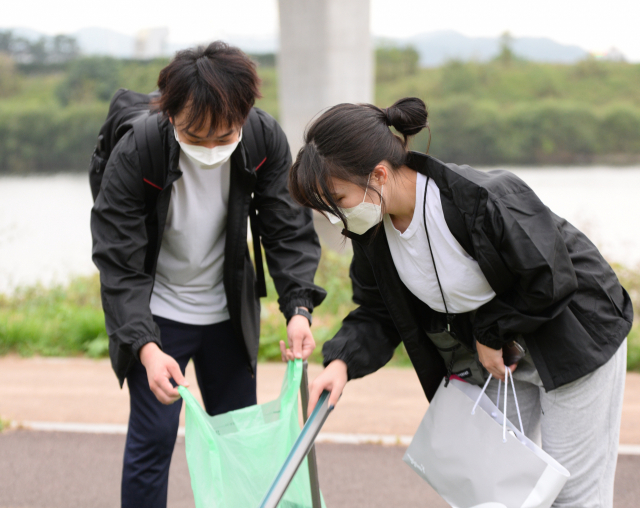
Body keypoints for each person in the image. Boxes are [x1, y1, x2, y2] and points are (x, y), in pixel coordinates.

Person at [289, 97, 633, 508]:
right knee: (491, 493)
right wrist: (341, 362)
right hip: (499, 358)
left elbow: (551, 277)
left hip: (573, 333)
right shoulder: (372, 232)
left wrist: (490, 332)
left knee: (573, 498)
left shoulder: (481, 198)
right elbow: (379, 311)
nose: (335, 218)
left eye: (337, 202)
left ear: (379, 175)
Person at [90, 42, 326, 508]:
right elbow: (118, 261)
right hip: (157, 315)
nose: (213, 147)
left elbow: (287, 229)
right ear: (170, 113)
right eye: (196, 136)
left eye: (225, 136)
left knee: (236, 439)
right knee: (153, 438)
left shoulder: (261, 140)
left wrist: (298, 308)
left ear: (245, 113)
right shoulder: (139, 149)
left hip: (226, 312)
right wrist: (145, 346)